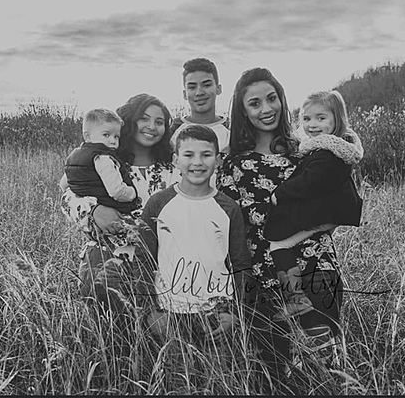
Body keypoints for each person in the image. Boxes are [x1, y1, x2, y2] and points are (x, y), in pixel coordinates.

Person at [218, 68, 346, 384]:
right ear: (243, 111)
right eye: (255, 103)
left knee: (324, 369)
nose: (266, 109)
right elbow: (231, 228)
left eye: (272, 98)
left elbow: (339, 202)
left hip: (316, 267)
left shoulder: (307, 150)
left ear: (282, 99)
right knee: (275, 374)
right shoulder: (232, 164)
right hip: (263, 278)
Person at [60, 93, 177, 314]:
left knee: (155, 326)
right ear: (129, 121)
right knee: (110, 328)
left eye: (159, 122)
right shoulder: (102, 158)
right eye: (144, 118)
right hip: (106, 258)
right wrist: (93, 212)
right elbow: (67, 196)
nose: (152, 126)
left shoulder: (172, 167)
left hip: (159, 261)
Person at [138, 125, 252, 348]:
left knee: (219, 369)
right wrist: (151, 311)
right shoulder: (158, 203)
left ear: (217, 161)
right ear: (176, 160)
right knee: (175, 369)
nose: (197, 162)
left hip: (216, 312)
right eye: (189, 155)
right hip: (169, 312)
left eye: (206, 155)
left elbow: (240, 263)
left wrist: (235, 313)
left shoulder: (228, 208)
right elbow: (143, 259)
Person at [264, 90, 363, 320]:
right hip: (330, 213)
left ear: (337, 119)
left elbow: (310, 180)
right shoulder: (333, 147)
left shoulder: (329, 151)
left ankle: (296, 298)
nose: (312, 124)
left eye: (321, 118)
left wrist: (281, 192)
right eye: (307, 118)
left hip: (325, 213)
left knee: (278, 244)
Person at [64, 108, 140, 220]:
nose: (113, 141)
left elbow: (64, 184)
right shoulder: (103, 158)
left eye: (116, 136)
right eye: (106, 135)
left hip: (91, 214)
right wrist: (132, 193)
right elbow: (116, 191)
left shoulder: (74, 156)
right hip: (114, 211)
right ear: (87, 137)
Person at [170, 57, 230, 152]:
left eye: (206, 85)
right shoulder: (172, 130)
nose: (199, 92)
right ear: (185, 94)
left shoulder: (233, 129)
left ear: (218, 89)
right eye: (192, 87)